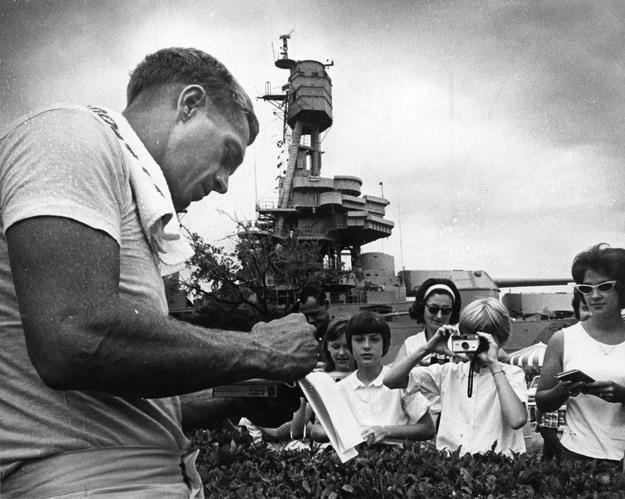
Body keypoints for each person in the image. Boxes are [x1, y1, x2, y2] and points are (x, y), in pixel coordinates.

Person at [0, 48, 319, 497]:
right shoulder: (69, 134)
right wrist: (259, 349)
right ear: (189, 104)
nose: (224, 182)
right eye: (228, 153)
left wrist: (244, 390)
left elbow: (121, 406)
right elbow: (74, 337)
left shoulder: (126, 203)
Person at [384, 298, 527, 456]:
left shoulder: (512, 374)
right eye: (469, 338)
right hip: (454, 464)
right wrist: (427, 348)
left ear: (499, 340)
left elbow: (517, 420)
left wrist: (494, 364)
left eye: (482, 341)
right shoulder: (448, 373)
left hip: (499, 465)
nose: (476, 346)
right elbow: (391, 381)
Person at [536, 244, 625, 464]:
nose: (594, 296)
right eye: (586, 288)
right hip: (576, 456)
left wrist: (623, 395)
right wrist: (562, 390)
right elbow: (542, 401)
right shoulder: (563, 339)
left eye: (605, 287)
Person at [312, 311, 435, 446]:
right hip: (353, 462)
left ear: (385, 344)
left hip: (396, 460)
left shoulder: (400, 383)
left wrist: (386, 431)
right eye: (359, 340)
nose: (366, 346)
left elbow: (427, 428)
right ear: (350, 345)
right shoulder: (340, 388)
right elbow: (317, 430)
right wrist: (347, 433)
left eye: (374, 339)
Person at [392, 278, 462, 366]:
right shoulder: (411, 344)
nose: (439, 316)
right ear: (422, 308)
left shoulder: (461, 342)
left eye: (446, 310)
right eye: (433, 309)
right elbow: (392, 378)